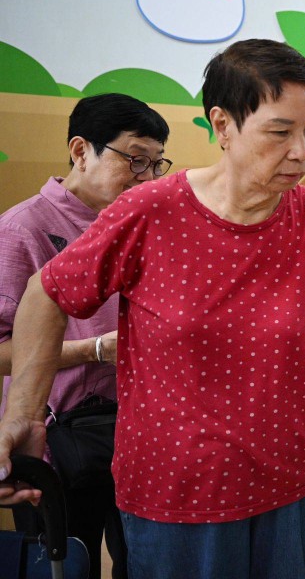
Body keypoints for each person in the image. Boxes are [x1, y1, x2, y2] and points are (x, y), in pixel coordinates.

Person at [0, 39, 305, 579]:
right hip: (180, 500)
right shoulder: (150, 210)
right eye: (280, 132)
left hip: (295, 487)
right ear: (223, 125)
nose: (301, 152)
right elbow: (47, 294)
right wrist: (22, 416)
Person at [0, 93, 170, 579]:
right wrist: (94, 350)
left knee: (140, 560)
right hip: (53, 441)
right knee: (64, 563)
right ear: (80, 151)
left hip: (137, 435)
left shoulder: (141, 225)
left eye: (156, 164)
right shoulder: (20, 229)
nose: (147, 177)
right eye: (135, 160)